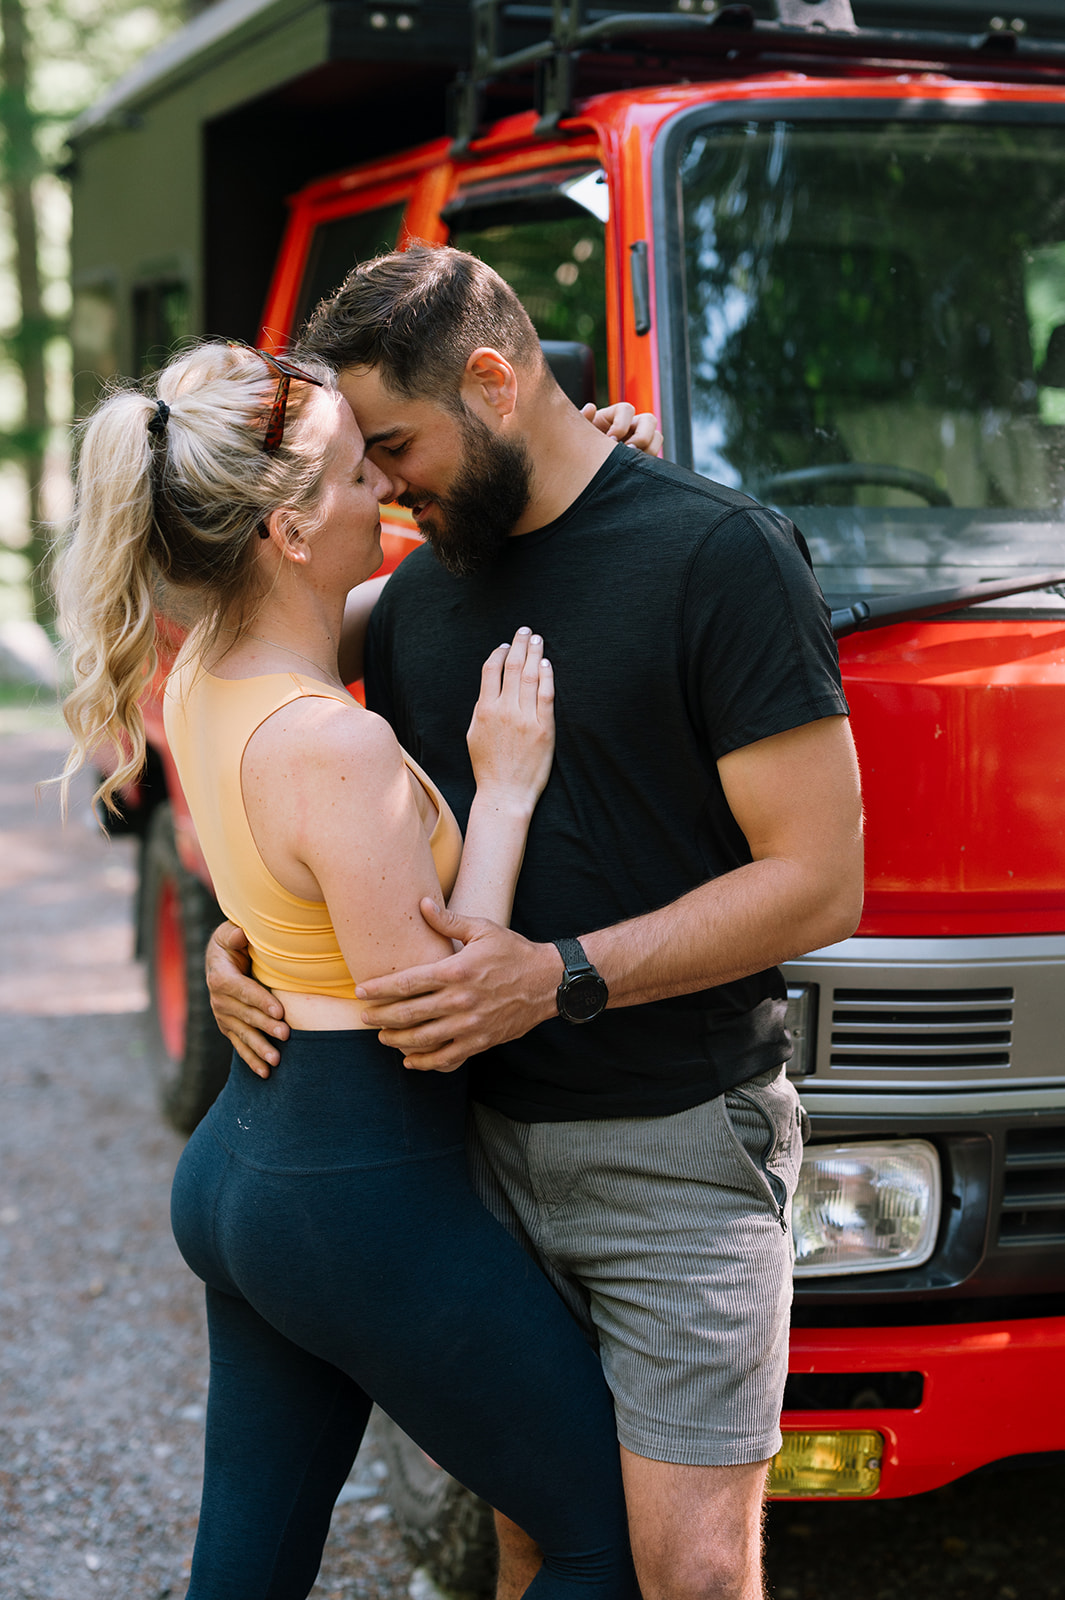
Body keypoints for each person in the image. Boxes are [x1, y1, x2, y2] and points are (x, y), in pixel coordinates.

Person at [207, 246, 865, 1600]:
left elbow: (819, 883)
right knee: (535, 1538)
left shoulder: (719, 556)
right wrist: (255, 936)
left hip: (677, 1147)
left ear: (495, 385)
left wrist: (560, 976)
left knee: (687, 1570)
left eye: (395, 446)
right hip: (474, 1151)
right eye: (362, 464)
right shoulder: (416, 592)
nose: (384, 488)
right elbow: (266, 741)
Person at [53, 339, 644, 1599]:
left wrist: (580, 472)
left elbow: (422, 590)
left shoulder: (211, 667)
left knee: (249, 1569)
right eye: (353, 469)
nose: (384, 481)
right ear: (285, 527)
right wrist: (503, 789)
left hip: (249, 1161)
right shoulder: (334, 741)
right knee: (605, 1539)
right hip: (354, 1185)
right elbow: (434, 1016)